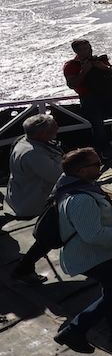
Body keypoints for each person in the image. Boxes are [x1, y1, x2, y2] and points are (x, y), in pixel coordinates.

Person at [52, 148, 112, 352]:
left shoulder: (77, 185)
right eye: (95, 164)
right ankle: (75, 330)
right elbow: (93, 236)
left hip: (98, 252)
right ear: (80, 171)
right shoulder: (81, 199)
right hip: (94, 255)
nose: (100, 165)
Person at [6, 115, 63, 284]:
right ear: (41, 134)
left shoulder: (23, 141)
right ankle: (24, 268)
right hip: (33, 200)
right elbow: (58, 176)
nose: (57, 130)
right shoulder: (33, 153)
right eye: (53, 129)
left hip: (22, 193)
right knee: (52, 234)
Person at [63, 39, 112, 158]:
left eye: (88, 48)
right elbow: (72, 84)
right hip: (89, 97)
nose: (87, 51)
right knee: (98, 125)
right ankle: (104, 149)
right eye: (83, 49)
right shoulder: (71, 65)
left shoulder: (100, 59)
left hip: (109, 94)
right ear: (76, 51)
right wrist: (84, 71)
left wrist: (103, 67)